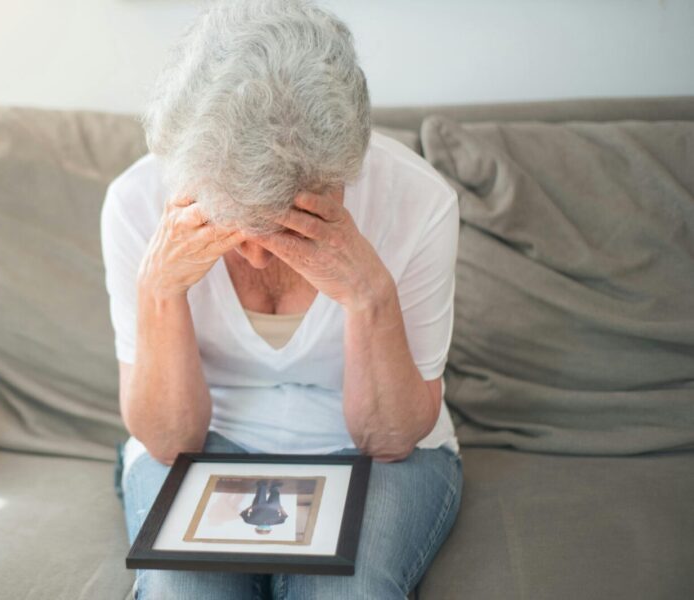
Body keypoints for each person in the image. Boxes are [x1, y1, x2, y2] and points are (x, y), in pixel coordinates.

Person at [102, 0, 463, 597]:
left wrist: (370, 295)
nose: (261, 256)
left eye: (292, 222)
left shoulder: (418, 202)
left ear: (345, 171)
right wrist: (161, 290)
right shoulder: (137, 203)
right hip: (206, 439)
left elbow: (390, 439)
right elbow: (169, 441)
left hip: (373, 455)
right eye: (234, 225)